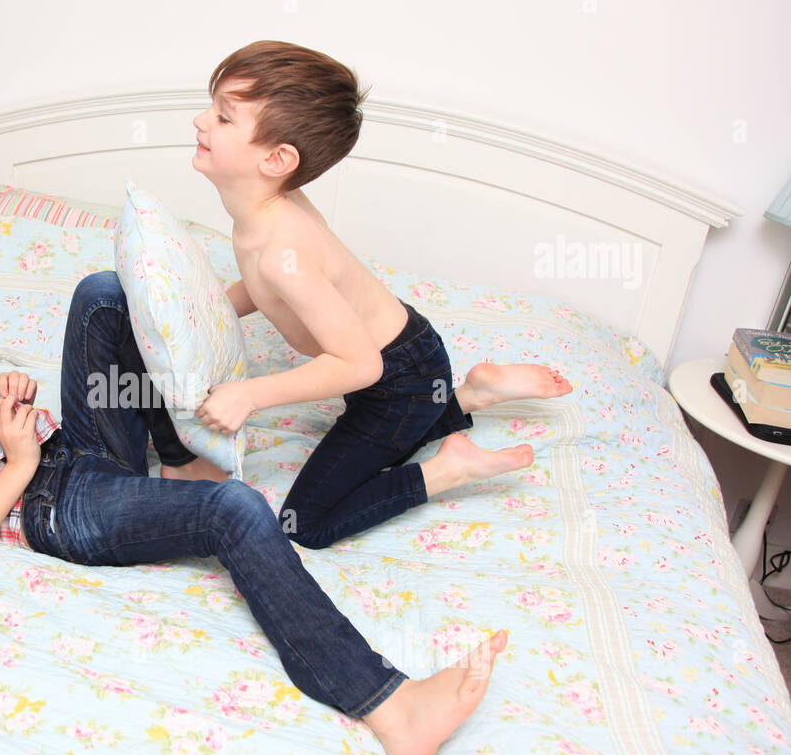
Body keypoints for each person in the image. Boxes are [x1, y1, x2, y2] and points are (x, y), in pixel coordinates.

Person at [0, 274, 508, 755]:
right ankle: (386, 704)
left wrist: (7, 415)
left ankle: (172, 456)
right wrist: (19, 464)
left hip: (64, 451)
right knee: (234, 510)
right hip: (54, 503)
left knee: (101, 294)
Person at [190, 40, 573, 550]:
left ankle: (447, 469)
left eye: (223, 117)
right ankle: (471, 395)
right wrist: (205, 312)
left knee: (305, 525)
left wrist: (249, 394)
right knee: (392, 430)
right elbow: (263, 288)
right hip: (407, 359)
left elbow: (360, 365)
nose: (200, 120)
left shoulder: (283, 245)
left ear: (278, 158)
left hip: (395, 381)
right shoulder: (265, 212)